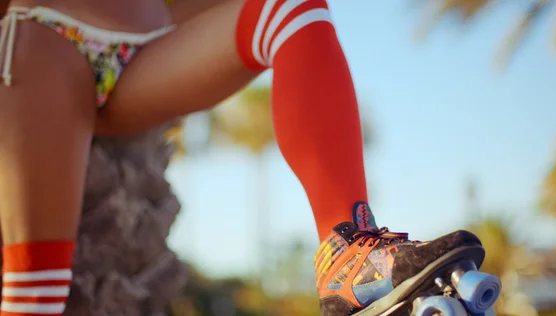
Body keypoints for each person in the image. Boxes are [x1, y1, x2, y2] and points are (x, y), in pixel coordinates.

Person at [0, 0, 493, 315]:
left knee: (294, 11)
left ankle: (348, 255)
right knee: (37, 294)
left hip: (156, 37)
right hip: (46, 43)